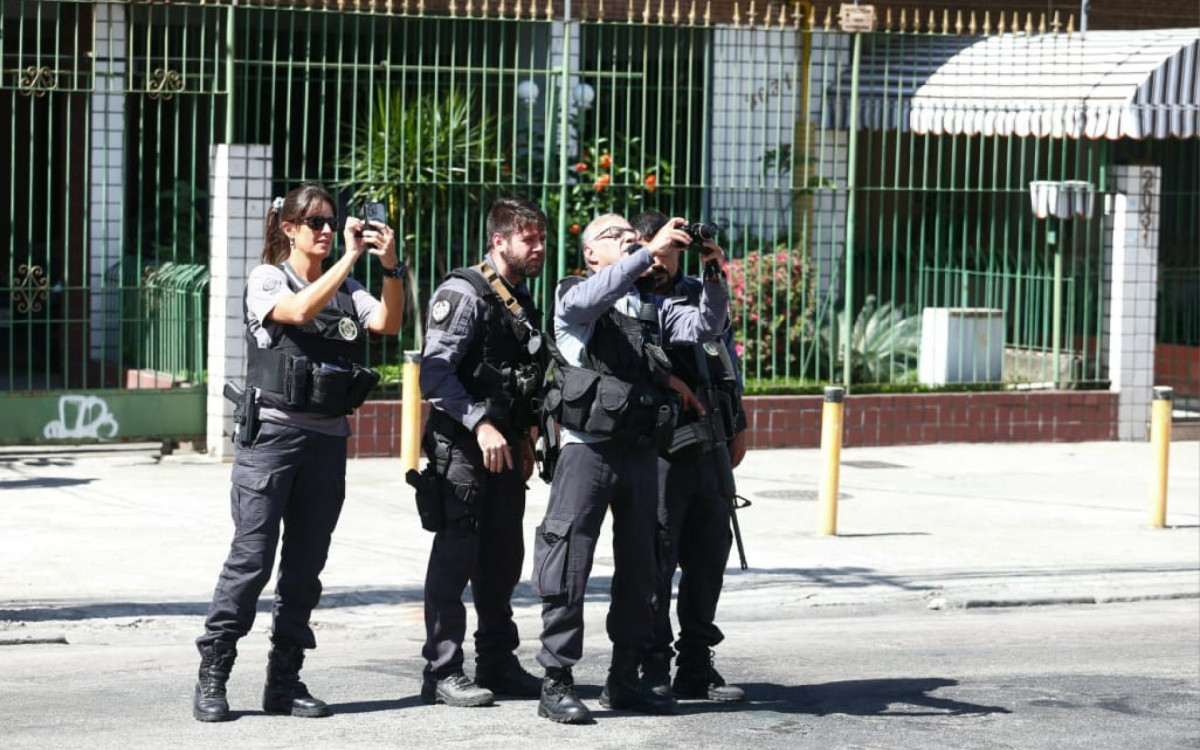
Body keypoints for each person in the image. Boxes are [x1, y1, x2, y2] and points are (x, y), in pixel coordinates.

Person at [193, 182, 405, 722]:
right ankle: (214, 673)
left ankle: (283, 680)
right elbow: (297, 310)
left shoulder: (349, 286)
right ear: (289, 228)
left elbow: (387, 322)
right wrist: (352, 257)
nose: (329, 232)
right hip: (272, 440)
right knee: (252, 559)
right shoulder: (268, 278)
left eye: (333, 222)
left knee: (305, 568)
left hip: (327, 440)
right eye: (317, 223)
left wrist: (390, 267)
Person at [531, 212, 728, 724]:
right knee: (568, 563)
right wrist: (645, 250)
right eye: (612, 236)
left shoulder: (648, 305)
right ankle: (556, 680)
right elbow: (596, 297)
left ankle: (625, 678)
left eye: (629, 234)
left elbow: (705, 327)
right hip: (586, 451)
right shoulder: (573, 293)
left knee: (643, 567)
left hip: (641, 453)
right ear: (591, 254)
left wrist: (711, 272)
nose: (626, 239)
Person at [414, 197, 548, 708]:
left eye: (540, 238)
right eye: (527, 239)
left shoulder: (519, 298)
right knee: (455, 558)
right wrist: (482, 423)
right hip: (464, 448)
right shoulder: (464, 293)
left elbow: (527, 376)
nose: (537, 248)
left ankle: (497, 660)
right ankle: (443, 670)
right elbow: (435, 373)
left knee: (501, 560)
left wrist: (526, 431)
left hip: (506, 448)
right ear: (499, 241)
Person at [630, 210, 748, 704]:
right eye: (658, 245)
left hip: (709, 440)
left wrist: (739, 419)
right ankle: (653, 660)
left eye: (672, 247)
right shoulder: (627, 295)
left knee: (708, 556)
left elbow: (719, 344)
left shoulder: (698, 292)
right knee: (658, 558)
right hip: (657, 447)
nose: (664, 256)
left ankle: (696, 660)